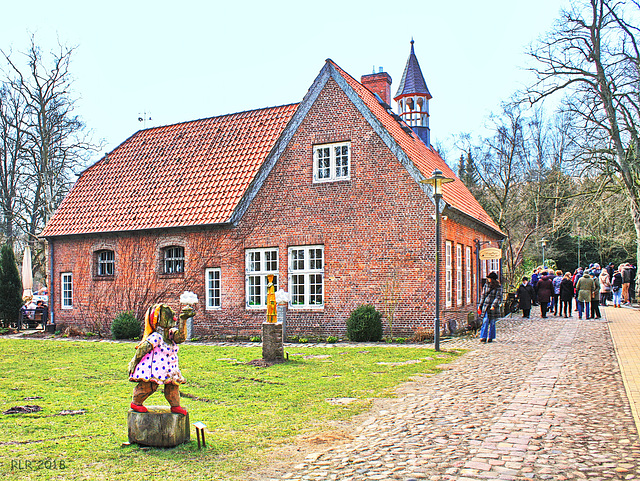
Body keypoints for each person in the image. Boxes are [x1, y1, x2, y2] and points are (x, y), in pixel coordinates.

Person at [129, 303, 195, 415]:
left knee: (173, 387)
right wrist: (134, 362)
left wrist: (183, 320)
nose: (172, 316)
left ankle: (175, 406)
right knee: (149, 386)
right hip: (153, 369)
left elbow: (181, 337)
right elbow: (142, 349)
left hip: (169, 368)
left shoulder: (170, 334)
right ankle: (136, 402)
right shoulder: (156, 337)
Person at [479, 271, 502, 343]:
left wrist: (494, 305)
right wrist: (480, 305)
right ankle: (483, 337)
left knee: (492, 322)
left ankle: (491, 336)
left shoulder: (498, 287)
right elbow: (483, 296)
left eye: (489, 278)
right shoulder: (486, 285)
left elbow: (498, 297)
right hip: (486, 305)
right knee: (485, 321)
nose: (488, 279)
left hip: (493, 307)